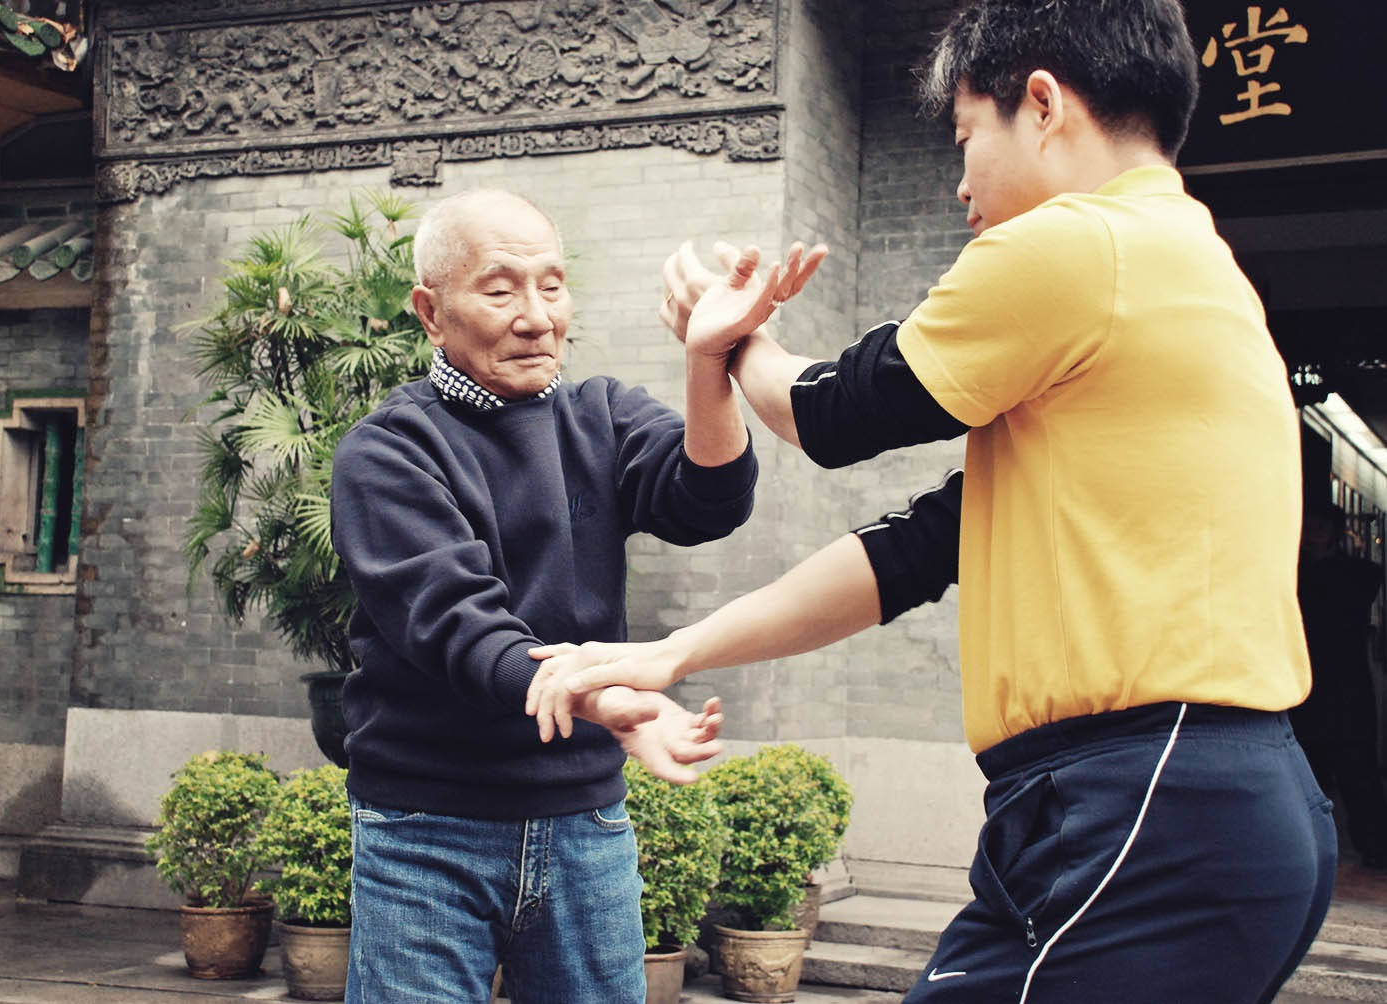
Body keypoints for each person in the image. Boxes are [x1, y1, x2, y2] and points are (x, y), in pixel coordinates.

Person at [527, 2, 1337, 1001]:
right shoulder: (1189, 274)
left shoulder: (1080, 245)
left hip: (1141, 806)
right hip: (1176, 805)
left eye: (966, 139)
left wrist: (729, 335)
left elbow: (831, 411)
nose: (961, 186)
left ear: (1040, 103)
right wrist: (675, 649)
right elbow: (912, 551)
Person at [329, 187, 818, 1003]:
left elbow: (709, 497)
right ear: (429, 310)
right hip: (426, 830)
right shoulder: (388, 451)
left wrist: (711, 360)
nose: (534, 315)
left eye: (551, 285)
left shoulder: (602, 414)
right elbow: (459, 625)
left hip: (585, 827)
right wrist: (605, 698)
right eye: (499, 288)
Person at [1293, 504, 1387, 869]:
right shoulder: (1301, 573)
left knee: (1356, 770)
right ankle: (1314, 846)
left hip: (1341, 685)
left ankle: (1374, 844)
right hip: (1313, 682)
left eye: (1320, 526)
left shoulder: (1356, 574)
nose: (1314, 533)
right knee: (1313, 769)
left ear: (1333, 531)